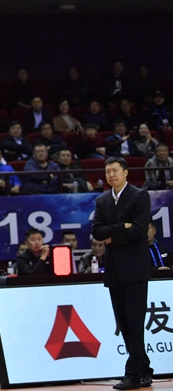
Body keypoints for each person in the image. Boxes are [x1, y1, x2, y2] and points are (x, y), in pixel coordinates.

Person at [91, 157, 153, 389]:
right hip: (114, 270)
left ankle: (133, 375)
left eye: (115, 171)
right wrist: (121, 227)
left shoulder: (140, 196)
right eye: (107, 172)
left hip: (136, 269)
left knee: (135, 322)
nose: (111, 175)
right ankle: (144, 368)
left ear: (126, 173)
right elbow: (97, 231)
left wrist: (112, 236)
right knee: (124, 323)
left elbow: (138, 230)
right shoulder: (102, 200)